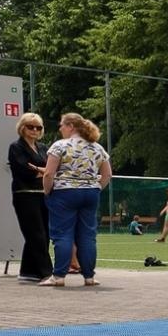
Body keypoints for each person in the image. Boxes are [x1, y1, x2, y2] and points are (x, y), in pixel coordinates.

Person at [41, 112, 112, 288]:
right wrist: (96, 188)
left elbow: (49, 173)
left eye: (62, 125)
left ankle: (59, 276)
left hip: (64, 193)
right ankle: (89, 277)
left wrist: (47, 191)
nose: (60, 128)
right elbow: (107, 174)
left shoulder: (60, 146)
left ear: (71, 126)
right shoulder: (97, 148)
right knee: (87, 235)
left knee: (63, 234)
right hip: (90, 193)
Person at [7, 111, 52, 282]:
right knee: (35, 233)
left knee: (44, 233)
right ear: (22, 128)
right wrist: (43, 172)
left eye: (38, 127)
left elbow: (51, 169)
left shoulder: (43, 148)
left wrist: (40, 171)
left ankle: (28, 271)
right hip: (24, 194)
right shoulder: (16, 147)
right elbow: (23, 170)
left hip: (43, 194)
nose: (34, 130)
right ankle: (47, 272)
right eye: (30, 126)